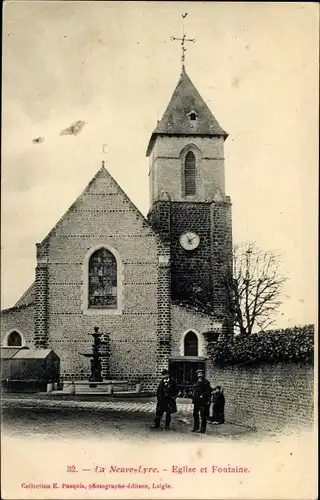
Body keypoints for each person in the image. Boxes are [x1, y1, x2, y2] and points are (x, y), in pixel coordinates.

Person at [192, 369, 212, 433]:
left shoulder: (206, 382)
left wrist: (203, 395)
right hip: (196, 400)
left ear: (203, 374)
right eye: (198, 374)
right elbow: (194, 389)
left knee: (203, 415)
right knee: (195, 414)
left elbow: (208, 391)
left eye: (201, 373)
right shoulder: (195, 381)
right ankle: (196, 427)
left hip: (203, 401)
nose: (199, 375)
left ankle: (202, 429)